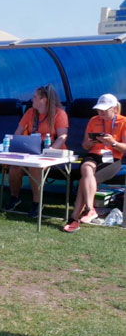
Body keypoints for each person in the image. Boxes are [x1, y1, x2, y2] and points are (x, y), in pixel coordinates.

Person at [63, 94, 126, 233]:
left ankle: (75, 218)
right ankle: (91, 209)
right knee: (86, 168)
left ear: (114, 109)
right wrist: (90, 142)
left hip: (113, 157)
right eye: (99, 110)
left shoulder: (123, 122)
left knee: (85, 181)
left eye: (104, 110)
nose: (100, 113)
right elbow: (85, 146)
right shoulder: (93, 120)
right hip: (94, 154)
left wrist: (113, 143)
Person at [4, 84, 69, 217]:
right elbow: (18, 133)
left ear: (43, 100)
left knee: (35, 167)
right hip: (30, 150)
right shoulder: (30, 113)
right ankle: (15, 197)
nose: (31, 99)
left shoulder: (59, 114)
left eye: (34, 97)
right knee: (14, 166)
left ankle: (37, 203)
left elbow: (62, 136)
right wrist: (14, 142)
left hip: (51, 152)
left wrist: (50, 150)